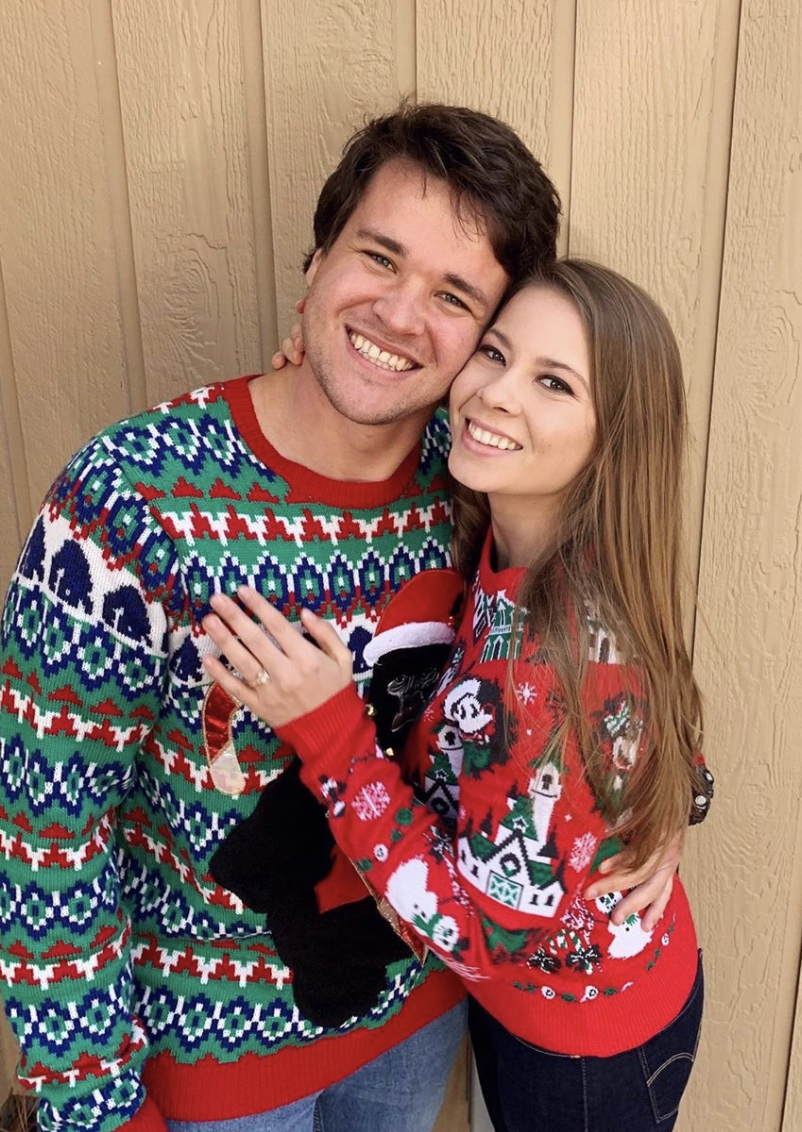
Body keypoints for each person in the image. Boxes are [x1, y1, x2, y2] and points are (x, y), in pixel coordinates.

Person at [0, 103, 559, 1132]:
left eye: (452, 295)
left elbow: (598, 656)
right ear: (315, 261)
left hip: (417, 1015)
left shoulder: (481, 489)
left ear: (489, 342)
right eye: (378, 257)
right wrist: (99, 1109)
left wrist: (661, 806)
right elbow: (44, 834)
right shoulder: (128, 502)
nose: (399, 314)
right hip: (212, 1075)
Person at [200, 259, 711, 1131]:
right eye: (495, 354)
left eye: (553, 383)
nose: (494, 396)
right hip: (580, 996)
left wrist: (331, 736)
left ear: (612, 441)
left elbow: (474, 933)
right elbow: (658, 718)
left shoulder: (554, 668)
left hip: (582, 1056)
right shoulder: (534, 532)